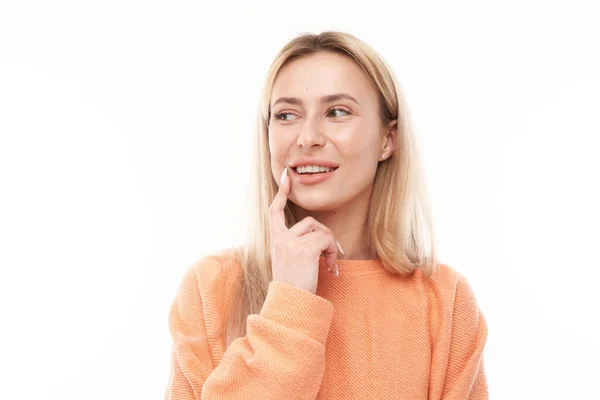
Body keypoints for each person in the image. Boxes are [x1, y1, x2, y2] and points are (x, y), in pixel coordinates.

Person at [164, 31, 488, 399]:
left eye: (337, 112)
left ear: (388, 139)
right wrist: (289, 301)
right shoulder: (212, 287)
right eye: (286, 115)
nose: (307, 137)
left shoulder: (444, 299)